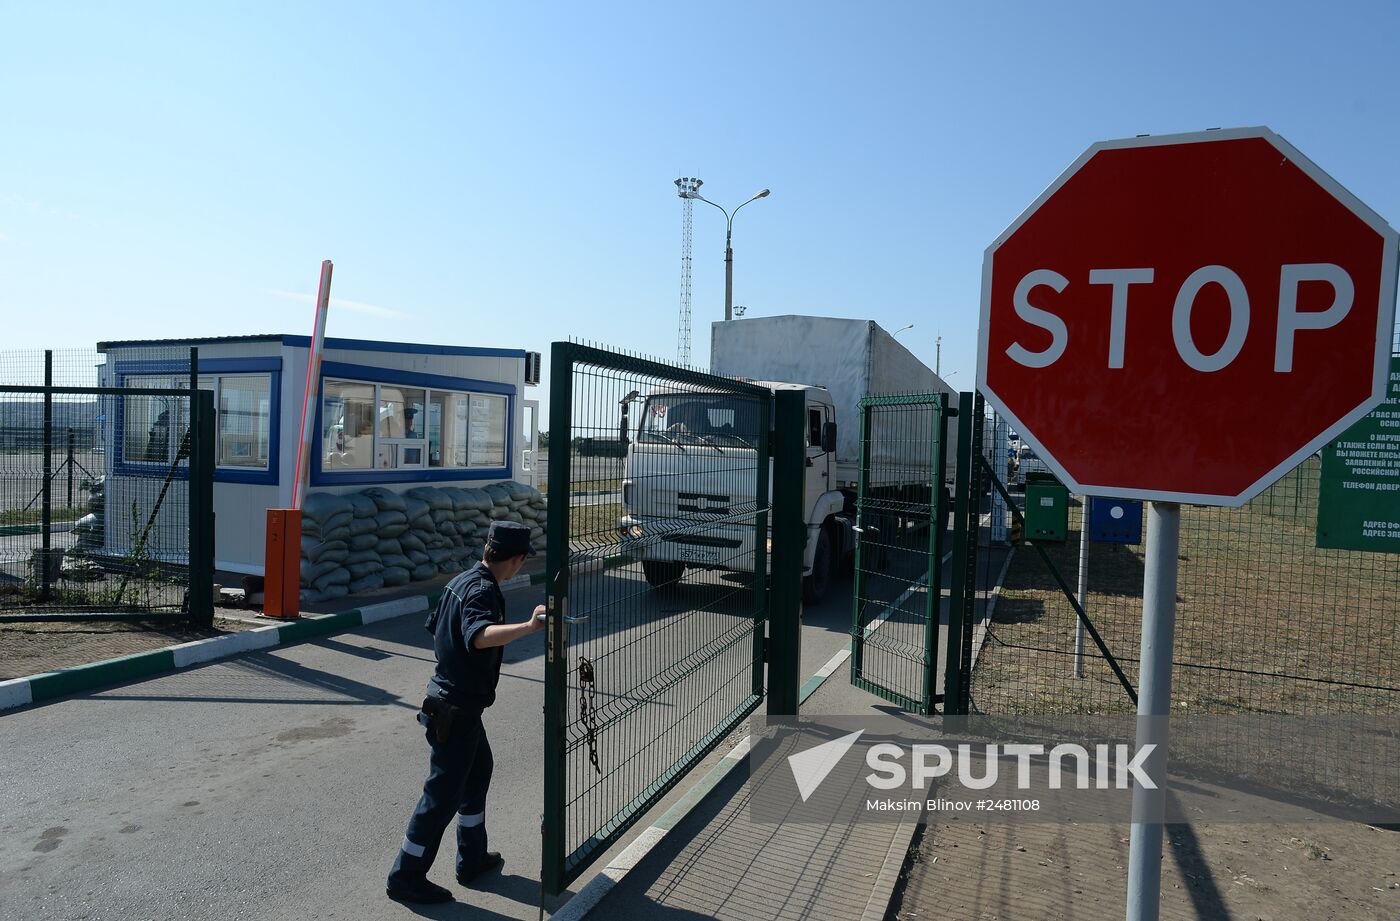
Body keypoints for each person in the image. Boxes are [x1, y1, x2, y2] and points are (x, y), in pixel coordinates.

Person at [386, 520, 545, 904]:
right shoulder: (481, 590)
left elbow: (436, 628)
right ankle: (405, 876)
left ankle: (471, 858)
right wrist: (527, 626)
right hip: (454, 710)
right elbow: (478, 635)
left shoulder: (460, 581)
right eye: (522, 562)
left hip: (454, 705)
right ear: (517, 559)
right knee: (441, 796)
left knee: (478, 773)